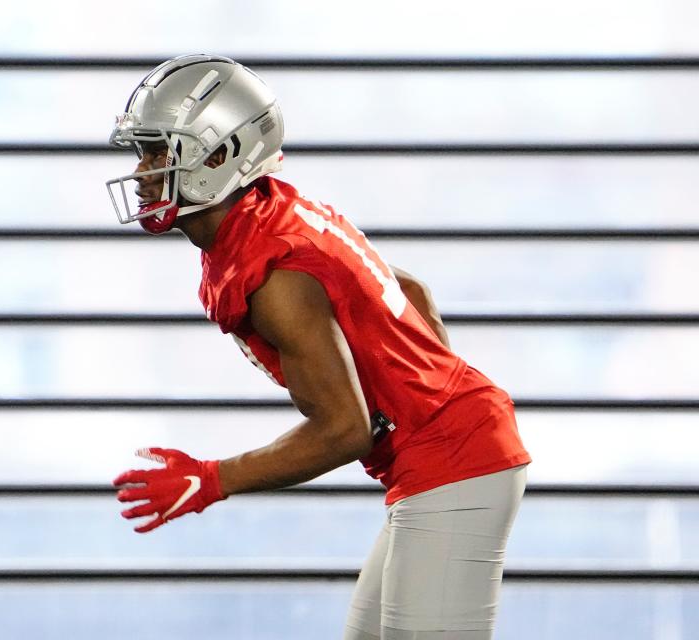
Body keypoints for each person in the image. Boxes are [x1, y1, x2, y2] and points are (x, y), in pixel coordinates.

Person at [108, 54, 531, 640]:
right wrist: (420, 398)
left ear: (222, 154)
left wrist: (213, 478)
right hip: (441, 457)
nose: (144, 171)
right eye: (143, 153)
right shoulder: (265, 219)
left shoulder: (274, 270)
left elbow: (343, 430)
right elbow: (410, 292)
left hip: (455, 463)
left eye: (160, 152)